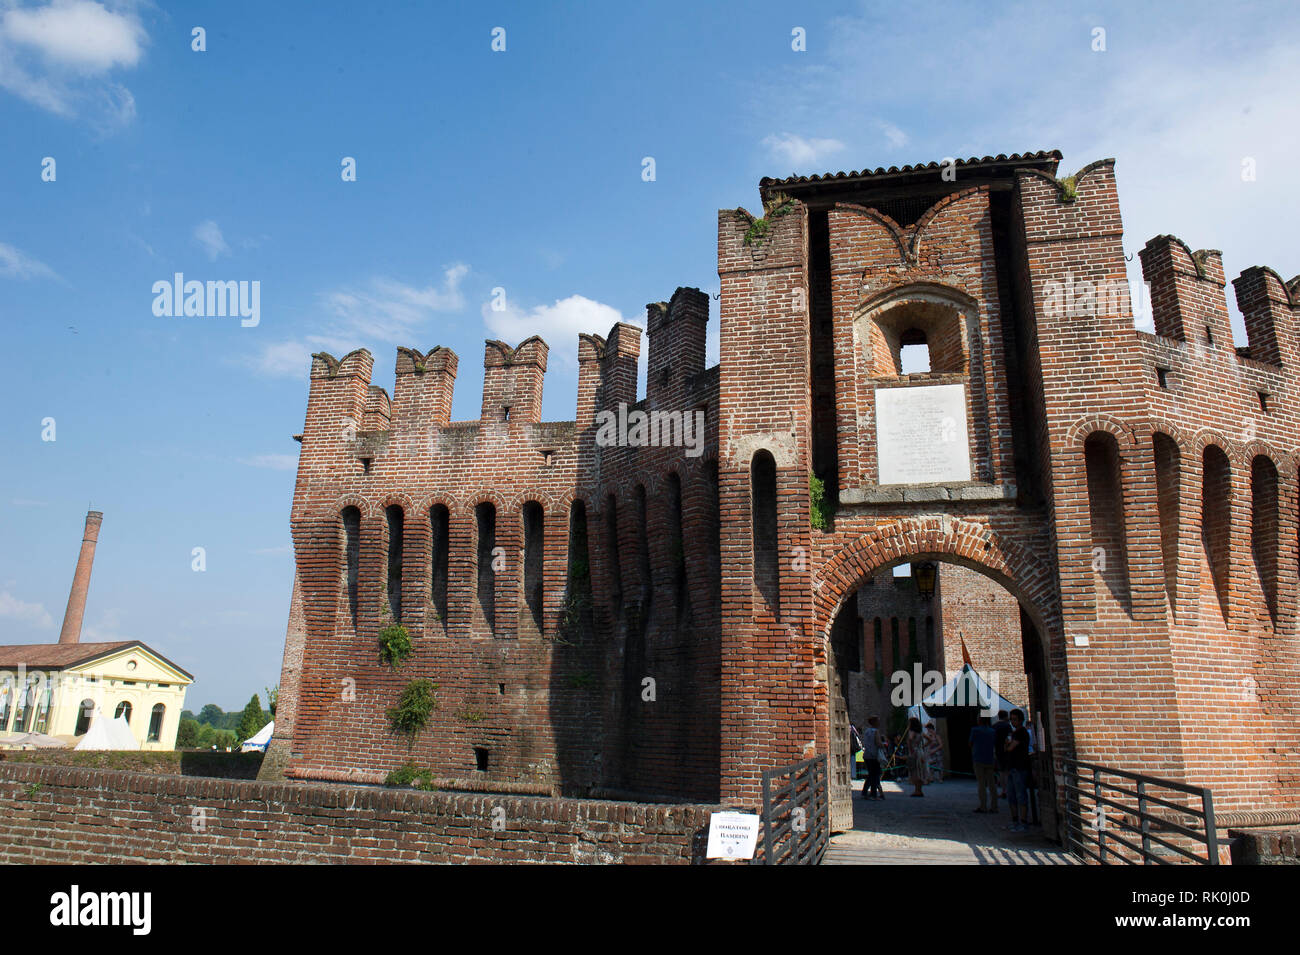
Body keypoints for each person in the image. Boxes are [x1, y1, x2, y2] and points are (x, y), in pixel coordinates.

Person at [1003, 708, 1032, 832]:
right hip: (1012, 767)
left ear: (1020, 720)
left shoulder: (1022, 733)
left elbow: (1010, 748)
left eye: (1014, 719)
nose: (1012, 722)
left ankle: (1023, 822)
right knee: (1011, 795)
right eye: (1011, 719)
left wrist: (1008, 744)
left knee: (1020, 795)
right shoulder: (1015, 733)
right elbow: (1007, 747)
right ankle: (1015, 820)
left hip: (1020, 767)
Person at [969, 715, 998, 813]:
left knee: (981, 783)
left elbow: (971, 743)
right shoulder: (992, 731)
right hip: (990, 758)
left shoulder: (975, 730)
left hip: (978, 758)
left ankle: (983, 806)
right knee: (992, 783)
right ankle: (994, 806)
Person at [861, 716, 884, 800]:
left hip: (867, 754)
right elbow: (878, 743)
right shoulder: (876, 731)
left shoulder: (867, 731)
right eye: (878, 721)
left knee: (871, 774)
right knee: (875, 775)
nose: (879, 723)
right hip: (874, 755)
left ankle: (864, 792)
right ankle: (873, 794)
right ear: (875, 722)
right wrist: (884, 744)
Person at [992, 709, 1012, 800]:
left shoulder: (994, 726)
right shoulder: (1007, 726)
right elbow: (1009, 737)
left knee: (1001, 772)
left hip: (998, 750)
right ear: (1006, 716)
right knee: (1007, 771)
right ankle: (1008, 790)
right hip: (1007, 750)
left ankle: (1003, 790)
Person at [906, 716, 927, 797]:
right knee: (920, 770)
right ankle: (920, 789)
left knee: (914, 771)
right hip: (920, 751)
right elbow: (930, 740)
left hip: (914, 752)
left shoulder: (911, 731)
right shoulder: (920, 732)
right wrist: (922, 746)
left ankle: (917, 790)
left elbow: (910, 739)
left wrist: (911, 749)